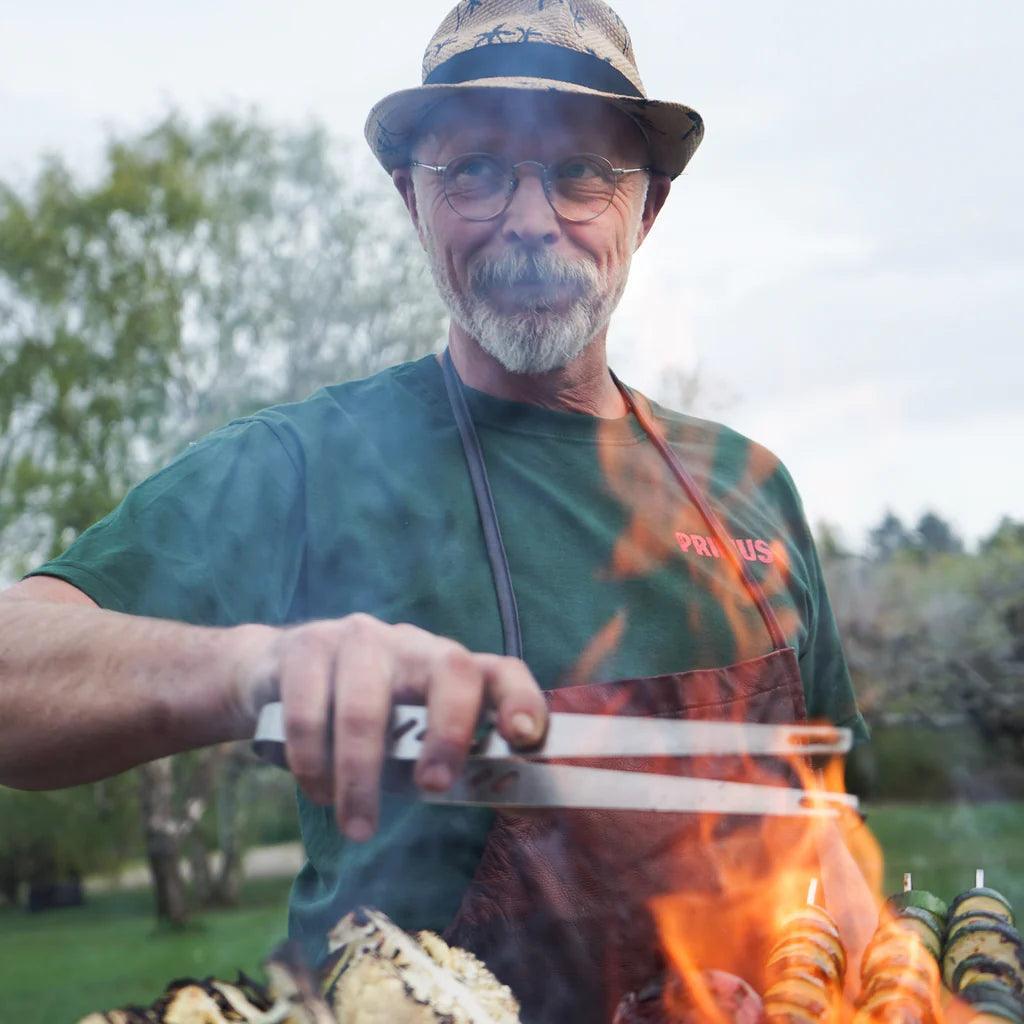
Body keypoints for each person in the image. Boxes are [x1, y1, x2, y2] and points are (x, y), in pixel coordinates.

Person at [0, 1, 869, 1020]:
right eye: (476, 171)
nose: (532, 220)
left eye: (580, 171)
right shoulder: (306, 465)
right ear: (413, 197)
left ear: (649, 206)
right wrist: (254, 667)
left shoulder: (746, 486)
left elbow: (828, 824)